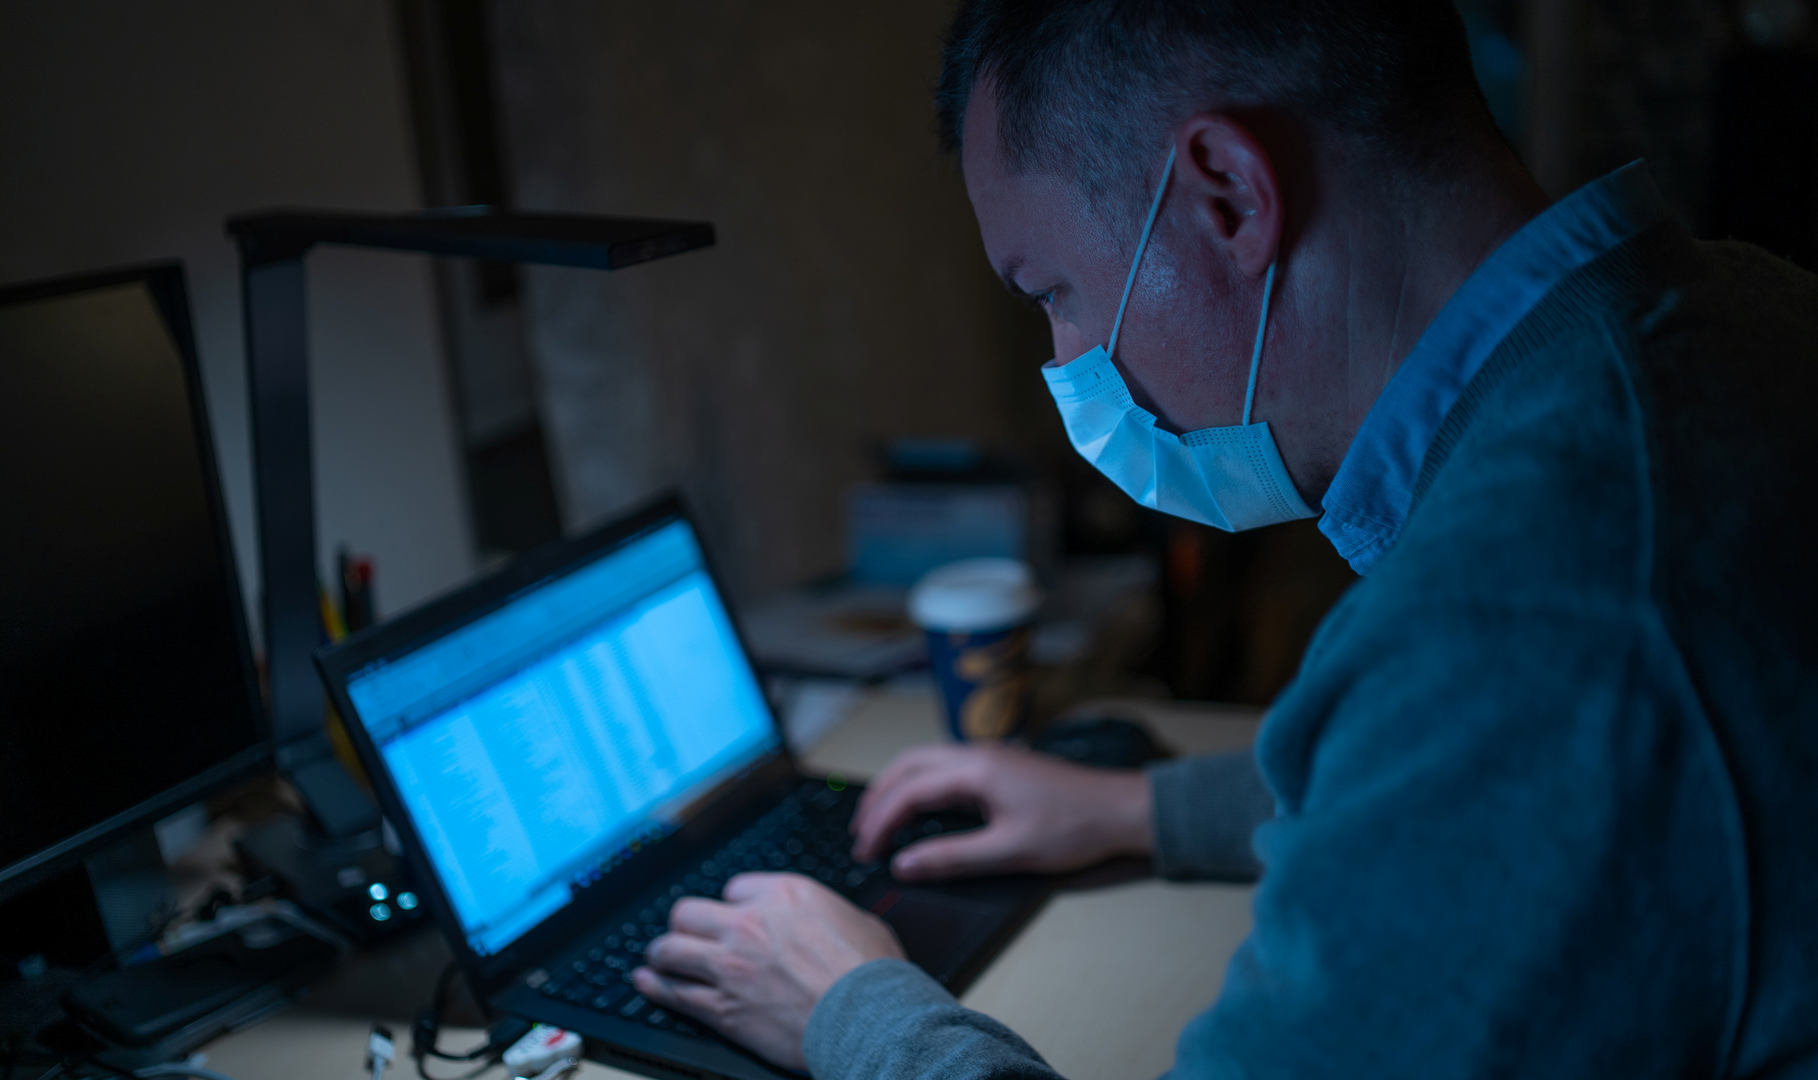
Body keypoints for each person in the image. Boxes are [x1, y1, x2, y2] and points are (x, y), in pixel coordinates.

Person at [632, 1, 1818, 1076]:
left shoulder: (1532, 615)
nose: (1064, 363)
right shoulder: (1749, 310)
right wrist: (1133, 810)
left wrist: (851, 1005)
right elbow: (1480, 790)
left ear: (1229, 196)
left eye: (1053, 291)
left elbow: (1498, 736)